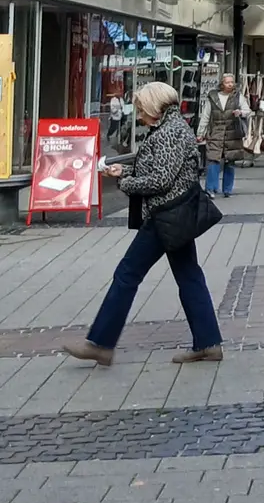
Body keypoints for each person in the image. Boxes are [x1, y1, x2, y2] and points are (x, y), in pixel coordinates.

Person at [65, 81, 223, 367]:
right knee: (188, 275)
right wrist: (124, 170)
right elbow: (159, 169)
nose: (138, 114)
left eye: (140, 108)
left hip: (165, 216)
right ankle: (208, 343)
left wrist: (125, 182)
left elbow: (160, 180)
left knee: (127, 274)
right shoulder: (171, 128)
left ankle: (101, 343)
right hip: (175, 215)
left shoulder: (170, 132)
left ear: (153, 106)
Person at [198, 73, 250, 197]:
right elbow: (206, 115)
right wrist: (200, 133)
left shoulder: (238, 97)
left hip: (233, 133)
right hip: (216, 132)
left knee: (230, 162)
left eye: (232, 82)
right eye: (227, 82)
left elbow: (248, 111)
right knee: (213, 161)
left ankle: (227, 190)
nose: (230, 84)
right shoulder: (213, 97)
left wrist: (240, 112)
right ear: (222, 83)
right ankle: (211, 188)